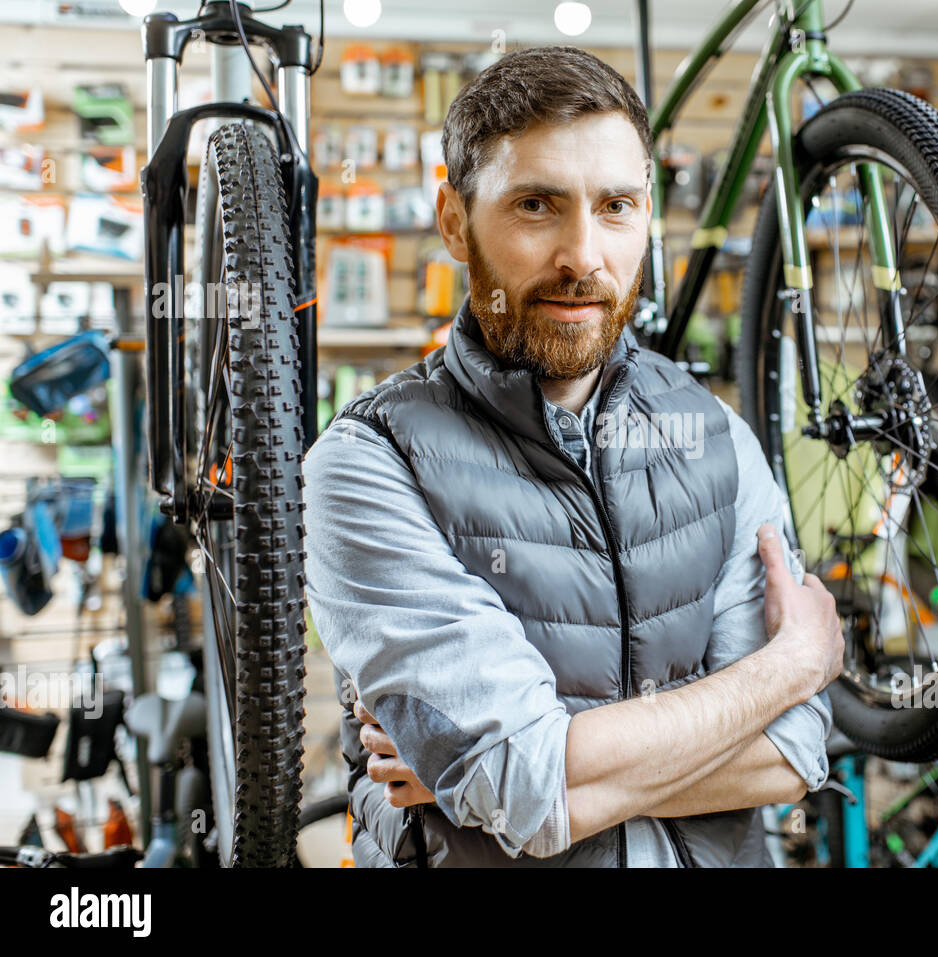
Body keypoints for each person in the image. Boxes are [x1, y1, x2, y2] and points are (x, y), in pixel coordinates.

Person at [303, 45, 843, 867]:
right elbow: (525, 781)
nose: (583, 255)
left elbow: (796, 754)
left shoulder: (714, 434)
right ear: (454, 221)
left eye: (616, 205)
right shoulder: (367, 465)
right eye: (536, 205)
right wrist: (794, 665)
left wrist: (556, 763)